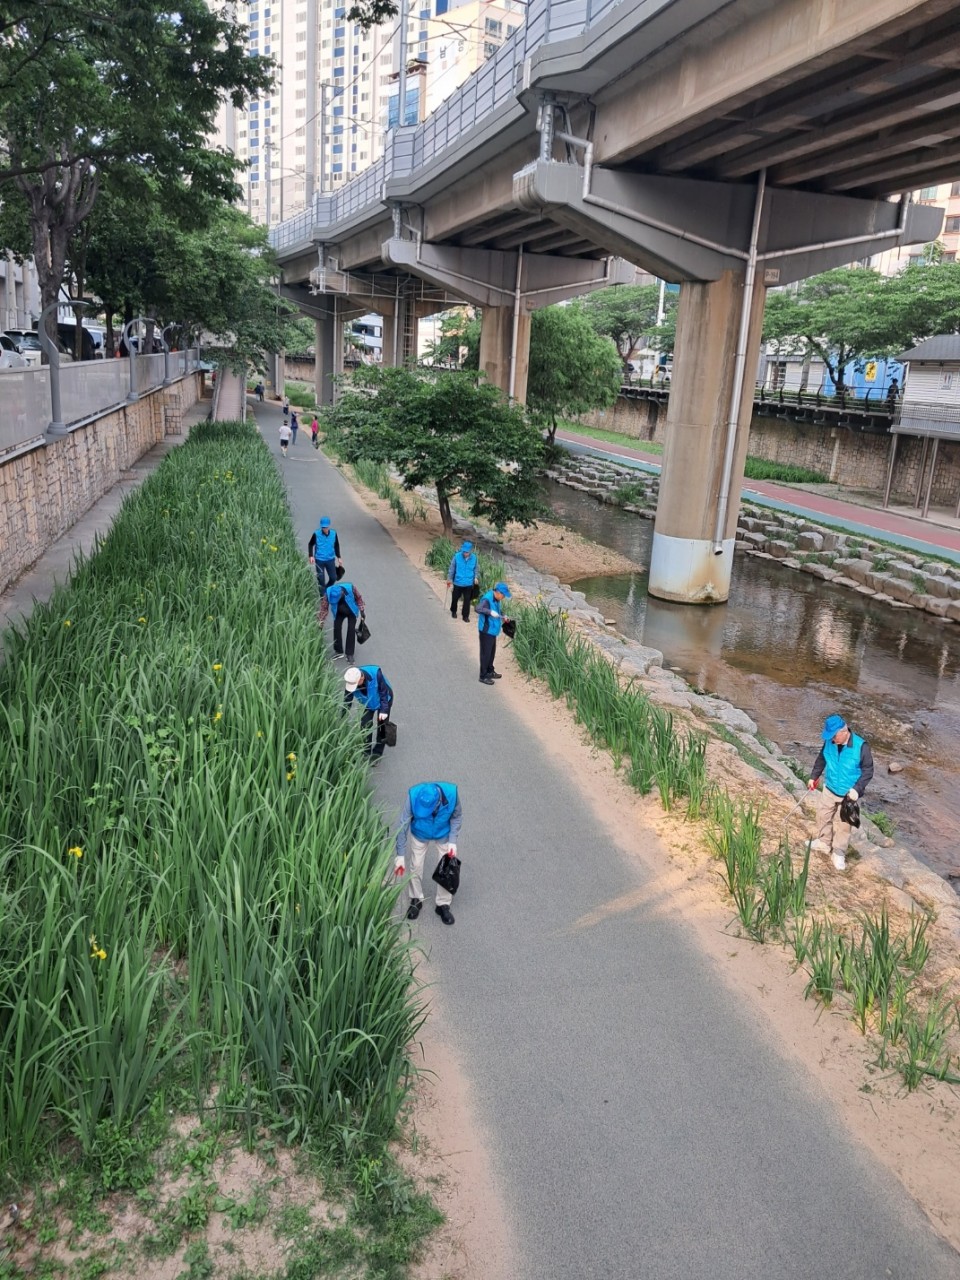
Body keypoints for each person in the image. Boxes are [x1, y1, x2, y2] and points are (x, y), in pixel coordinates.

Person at [807, 714, 874, 871]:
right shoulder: (829, 742)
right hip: (830, 788)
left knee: (844, 825)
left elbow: (868, 771)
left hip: (849, 794)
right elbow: (821, 759)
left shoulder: (861, 747)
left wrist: (857, 789)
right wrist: (813, 776)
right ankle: (824, 842)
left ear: (844, 731)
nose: (831, 739)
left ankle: (838, 853)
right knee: (822, 815)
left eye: (834, 736)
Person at [395, 782, 462, 925]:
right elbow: (403, 824)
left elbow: (457, 817)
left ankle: (443, 904)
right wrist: (400, 855)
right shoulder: (413, 796)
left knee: (447, 868)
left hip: (443, 833)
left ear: (438, 803)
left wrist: (453, 841)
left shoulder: (452, 794)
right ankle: (416, 899)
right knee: (416, 865)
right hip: (420, 833)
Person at [343, 665, 394, 759]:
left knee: (382, 727)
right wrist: (342, 716)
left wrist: (384, 710)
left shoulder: (376, 674)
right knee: (365, 725)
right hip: (368, 702)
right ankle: (366, 751)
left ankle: (377, 753)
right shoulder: (351, 680)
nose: (353, 688)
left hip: (384, 700)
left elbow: (384, 693)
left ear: (361, 678)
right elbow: (347, 700)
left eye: (355, 685)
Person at [318, 579, 365, 662]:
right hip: (338, 612)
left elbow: (359, 598)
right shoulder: (328, 593)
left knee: (351, 629)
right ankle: (338, 651)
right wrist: (320, 621)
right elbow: (324, 608)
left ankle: (349, 654)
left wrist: (362, 611)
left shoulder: (351, 588)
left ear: (342, 594)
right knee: (336, 628)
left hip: (351, 611)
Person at [476, 580, 512, 686]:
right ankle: (483, 676)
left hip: (493, 630)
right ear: (498, 592)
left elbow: (498, 611)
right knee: (485, 654)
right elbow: (478, 608)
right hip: (486, 631)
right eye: (503, 595)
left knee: (491, 652)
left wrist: (503, 616)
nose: (504, 597)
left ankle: (490, 671)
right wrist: (490, 612)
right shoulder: (487, 599)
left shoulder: (496, 599)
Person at [447, 540, 479, 622]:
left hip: (468, 583)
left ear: (470, 551)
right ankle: (453, 611)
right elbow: (452, 568)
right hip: (458, 582)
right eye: (464, 551)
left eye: (466, 552)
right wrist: (449, 579)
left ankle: (465, 616)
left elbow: (476, 569)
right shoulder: (457, 556)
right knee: (455, 598)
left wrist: (476, 577)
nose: (465, 553)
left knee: (467, 600)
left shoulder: (474, 558)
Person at [308, 517, 341, 588]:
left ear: (328, 526)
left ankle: (326, 588)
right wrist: (311, 556)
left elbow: (336, 545)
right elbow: (310, 544)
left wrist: (339, 557)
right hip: (319, 560)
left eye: (326, 527)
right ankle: (322, 594)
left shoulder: (334, 534)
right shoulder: (316, 534)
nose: (324, 529)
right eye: (323, 527)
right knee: (321, 580)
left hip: (330, 559)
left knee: (333, 578)